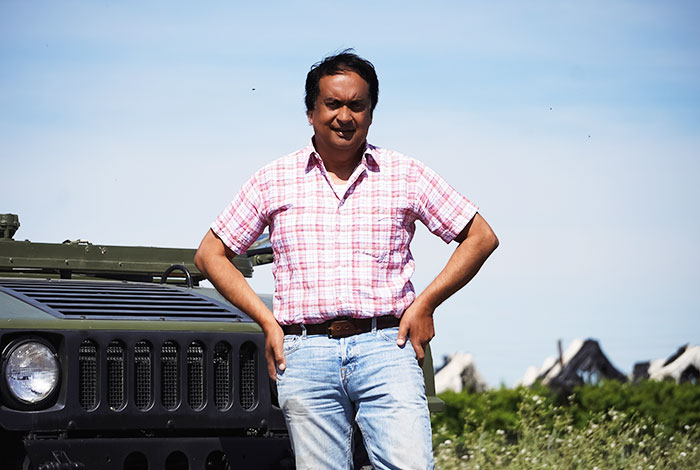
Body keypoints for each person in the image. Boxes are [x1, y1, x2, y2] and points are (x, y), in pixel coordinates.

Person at [194, 50, 498, 470]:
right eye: (333, 104)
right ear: (311, 112)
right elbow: (210, 254)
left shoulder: (404, 173)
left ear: (371, 113)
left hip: (387, 346)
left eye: (357, 105)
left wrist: (426, 303)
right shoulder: (273, 179)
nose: (344, 116)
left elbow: (480, 237)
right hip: (304, 352)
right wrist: (267, 321)